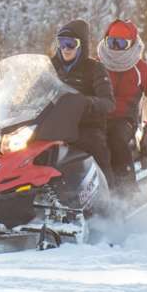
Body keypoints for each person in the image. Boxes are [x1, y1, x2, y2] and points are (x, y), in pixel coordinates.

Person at [97, 19, 147, 193]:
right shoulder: (96, 66)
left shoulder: (142, 70)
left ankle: (127, 191)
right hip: (97, 117)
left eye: (121, 43)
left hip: (124, 121)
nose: (115, 47)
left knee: (115, 139)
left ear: (132, 44)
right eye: (111, 42)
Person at [49, 19, 116, 186]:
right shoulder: (50, 67)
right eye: (62, 43)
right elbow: (34, 91)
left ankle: (111, 194)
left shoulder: (94, 68)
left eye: (71, 44)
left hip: (86, 125)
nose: (65, 49)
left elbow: (108, 102)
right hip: (53, 125)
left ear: (81, 45)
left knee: (96, 146)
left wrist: (87, 102)